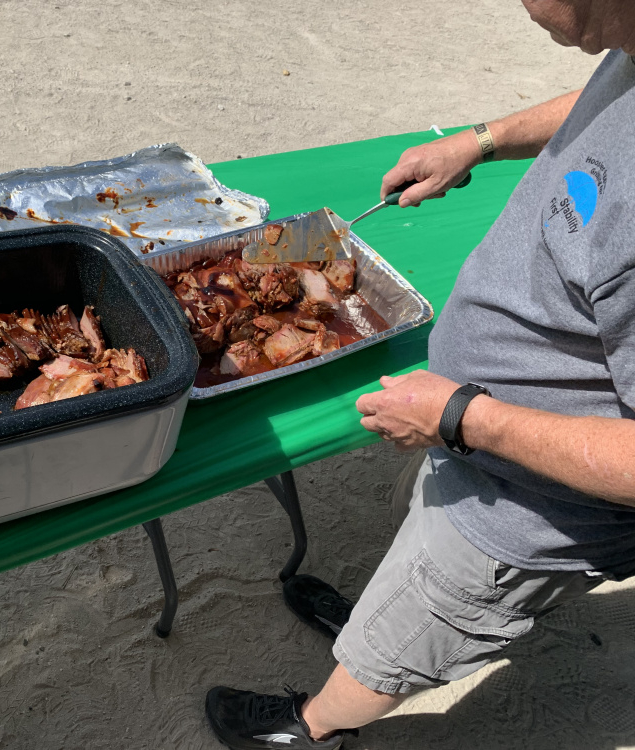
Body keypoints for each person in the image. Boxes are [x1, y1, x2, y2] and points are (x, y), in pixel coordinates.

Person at [205, 1, 635, 747]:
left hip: (528, 510)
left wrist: (460, 416)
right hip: (475, 440)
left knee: (420, 622)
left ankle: (310, 728)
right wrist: (482, 141)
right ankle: (378, 619)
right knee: (411, 570)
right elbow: (610, 101)